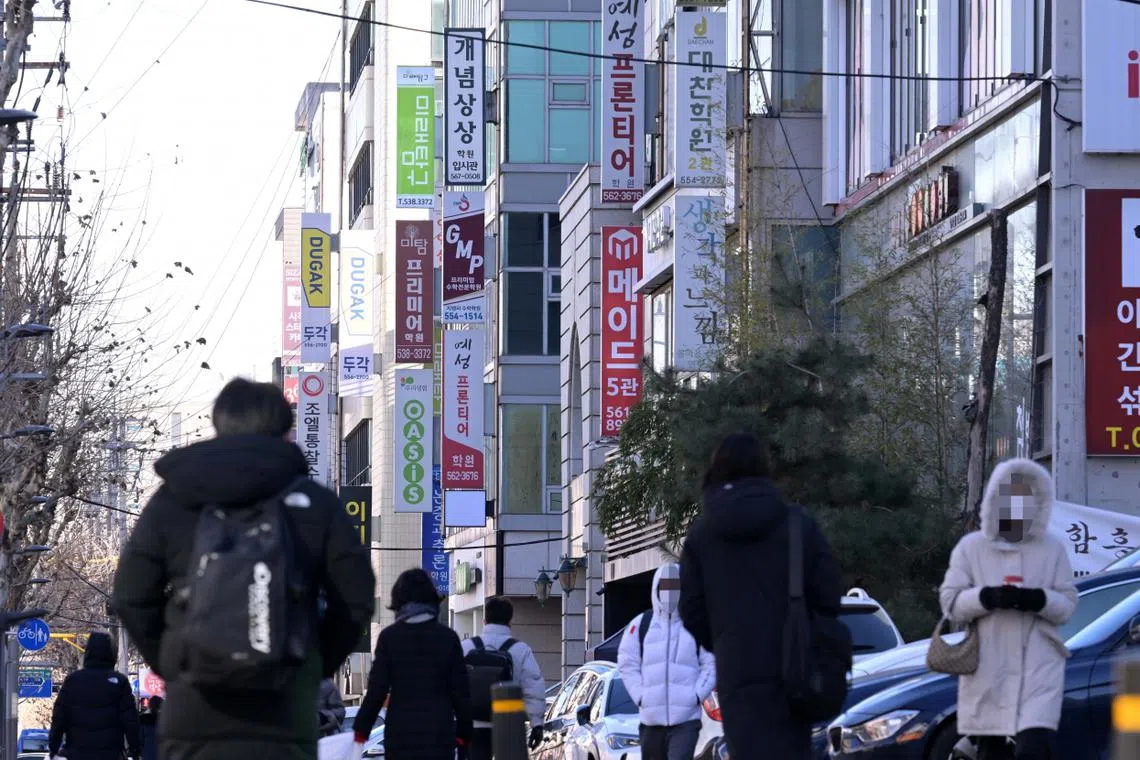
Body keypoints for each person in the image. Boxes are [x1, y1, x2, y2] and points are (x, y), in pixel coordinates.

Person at [111, 378, 376, 760]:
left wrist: (177, 663)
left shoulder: (174, 500)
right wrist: (308, 665)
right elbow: (356, 600)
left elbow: (131, 595)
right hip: (284, 710)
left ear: (219, 425)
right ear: (285, 432)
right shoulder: (316, 504)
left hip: (194, 709)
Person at [677, 432, 843, 760]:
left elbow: (691, 611)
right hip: (795, 670)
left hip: (737, 672)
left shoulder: (702, 535)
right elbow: (828, 596)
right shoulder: (797, 525)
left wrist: (724, 639)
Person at [940, 458, 1077, 760]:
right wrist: (986, 598)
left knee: (1033, 749)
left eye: (1025, 503)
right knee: (991, 753)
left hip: (1039, 668)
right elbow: (950, 603)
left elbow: (1067, 605)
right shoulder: (971, 548)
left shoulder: (1052, 549)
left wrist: (1038, 601)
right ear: (995, 502)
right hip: (988, 668)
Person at [348, 568, 472, 760]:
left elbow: (376, 690)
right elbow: (461, 694)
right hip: (438, 735)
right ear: (432, 599)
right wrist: (464, 736)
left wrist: (361, 730)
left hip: (400, 735)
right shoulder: (447, 638)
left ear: (398, 600)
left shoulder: (390, 638)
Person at [617, 562, 716, 760]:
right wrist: (640, 696)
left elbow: (712, 663)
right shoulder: (641, 625)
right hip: (651, 722)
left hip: (686, 721)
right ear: (657, 588)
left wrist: (696, 695)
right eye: (665, 586)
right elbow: (627, 663)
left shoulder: (697, 624)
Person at [461, 596, 546, 759]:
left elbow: (453, 685)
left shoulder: (466, 647)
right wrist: (537, 725)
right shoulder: (521, 650)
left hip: (473, 724)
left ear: (485, 620)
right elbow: (533, 688)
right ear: (510, 620)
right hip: (509, 724)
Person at [48, 631, 142, 760]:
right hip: (111, 754)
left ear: (88, 652)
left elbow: (59, 717)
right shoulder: (120, 682)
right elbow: (131, 720)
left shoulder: (73, 680)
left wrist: (53, 747)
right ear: (111, 654)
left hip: (77, 753)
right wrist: (135, 749)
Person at [139, 696, 163, 760]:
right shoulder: (165, 720)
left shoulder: (143, 718)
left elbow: (140, 739)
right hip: (161, 754)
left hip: (147, 753)